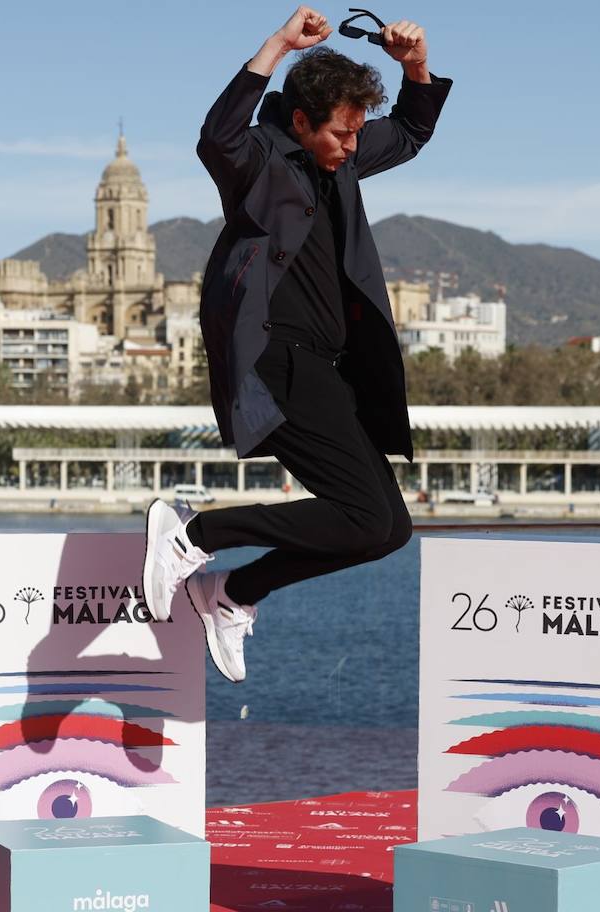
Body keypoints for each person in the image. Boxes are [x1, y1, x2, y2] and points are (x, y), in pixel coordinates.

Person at [142, 6, 452, 682]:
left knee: (387, 530)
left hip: (328, 368)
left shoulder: (342, 153)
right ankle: (195, 534)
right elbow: (215, 135)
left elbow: (412, 131)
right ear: (304, 122)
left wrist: (415, 68)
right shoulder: (258, 157)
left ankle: (230, 593)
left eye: (356, 133)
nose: (351, 146)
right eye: (340, 134)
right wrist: (278, 46)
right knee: (367, 517)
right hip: (274, 359)